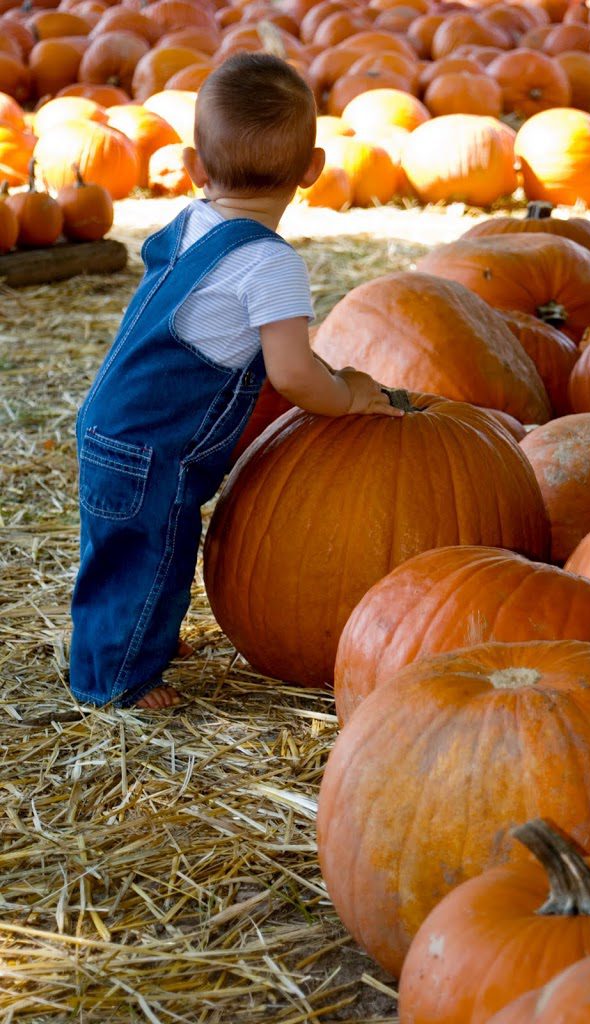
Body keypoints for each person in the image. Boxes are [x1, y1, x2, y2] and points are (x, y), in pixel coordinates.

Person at [70, 52, 402, 711]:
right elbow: (291, 371)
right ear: (312, 170)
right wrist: (346, 397)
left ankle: (144, 635)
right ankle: (113, 683)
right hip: (152, 445)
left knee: (143, 547)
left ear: (195, 166)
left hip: (119, 424)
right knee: (142, 549)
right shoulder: (268, 264)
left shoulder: (195, 223)